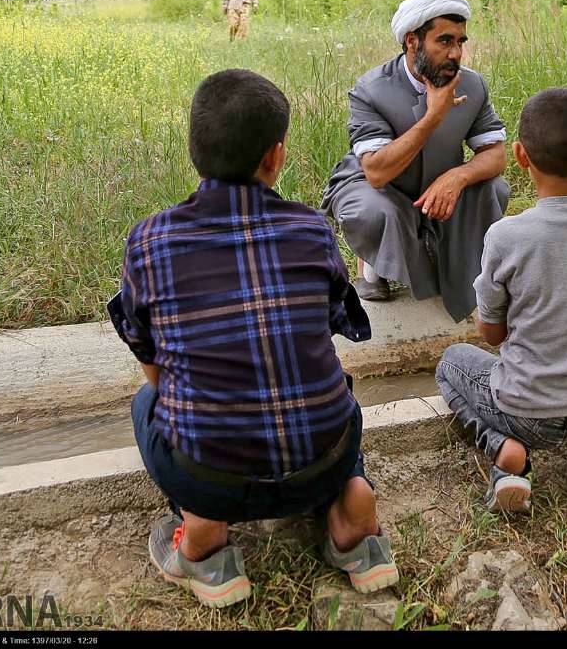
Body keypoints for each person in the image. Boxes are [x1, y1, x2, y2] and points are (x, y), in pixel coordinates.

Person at [109, 69, 397, 608]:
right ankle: (348, 511)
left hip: (209, 476)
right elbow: (336, 330)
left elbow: (149, 357)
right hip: (323, 459)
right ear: (276, 156)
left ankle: (204, 541)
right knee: (338, 396)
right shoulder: (312, 229)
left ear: (194, 149)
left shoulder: (150, 240)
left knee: (147, 400)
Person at [434, 88, 567, 512]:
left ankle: (507, 451)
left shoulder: (506, 236)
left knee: (451, 362)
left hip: (525, 413)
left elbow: (492, 334)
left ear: (519, 155)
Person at [321, 0, 509, 322]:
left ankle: (457, 271)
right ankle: (372, 263)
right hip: (377, 186)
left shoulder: (472, 85)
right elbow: (376, 171)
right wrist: (434, 116)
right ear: (412, 41)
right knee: (372, 209)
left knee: (494, 188)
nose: (456, 53)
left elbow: (496, 155)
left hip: (438, 183)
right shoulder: (370, 90)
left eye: (460, 41)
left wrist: (458, 175)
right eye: (444, 41)